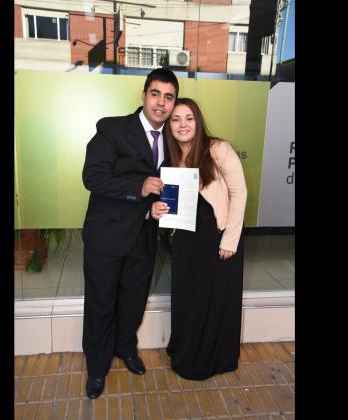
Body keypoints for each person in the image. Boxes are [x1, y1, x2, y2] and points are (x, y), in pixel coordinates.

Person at [80, 68, 178, 399]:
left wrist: (158, 207)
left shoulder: (173, 138)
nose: (161, 103)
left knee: (133, 301)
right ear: (143, 95)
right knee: (100, 302)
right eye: (156, 94)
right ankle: (96, 368)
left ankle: (126, 348)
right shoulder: (112, 128)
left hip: (144, 235)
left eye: (169, 97)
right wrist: (138, 187)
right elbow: (92, 177)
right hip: (106, 236)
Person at [151, 97, 248, 381]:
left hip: (217, 236)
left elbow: (239, 193)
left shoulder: (217, 149)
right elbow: (169, 205)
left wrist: (230, 240)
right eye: (176, 119)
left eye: (189, 118)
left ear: (198, 121)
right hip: (184, 240)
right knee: (187, 299)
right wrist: (157, 211)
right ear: (169, 125)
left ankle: (209, 360)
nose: (183, 124)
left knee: (214, 300)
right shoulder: (169, 160)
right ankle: (186, 351)